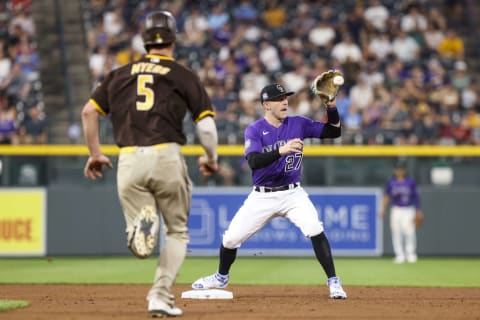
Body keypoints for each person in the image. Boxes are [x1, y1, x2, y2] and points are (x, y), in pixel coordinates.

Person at [81, 11, 219, 317]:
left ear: (144, 40)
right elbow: (207, 129)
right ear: (173, 39)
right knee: (178, 232)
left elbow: (89, 112)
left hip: (128, 159)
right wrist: (211, 159)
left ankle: (139, 231)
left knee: (143, 227)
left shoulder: (118, 74)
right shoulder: (182, 74)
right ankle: (159, 296)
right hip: (166, 155)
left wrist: (95, 153)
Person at [191, 82, 347, 299]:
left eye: (286, 98)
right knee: (230, 240)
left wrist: (331, 105)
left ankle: (333, 281)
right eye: (279, 99)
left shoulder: (298, 123)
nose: (285, 102)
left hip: (293, 194)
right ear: (266, 105)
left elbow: (334, 131)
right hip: (262, 196)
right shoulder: (254, 130)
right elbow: (253, 161)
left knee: (314, 227)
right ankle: (221, 277)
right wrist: (281, 150)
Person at [380, 160, 423, 264]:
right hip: (396, 209)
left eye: (401, 169)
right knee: (396, 232)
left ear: (405, 170)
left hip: (408, 209)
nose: (399, 171)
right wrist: (382, 208)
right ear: (395, 170)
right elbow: (387, 196)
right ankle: (399, 254)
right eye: (397, 169)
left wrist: (418, 210)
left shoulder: (410, 182)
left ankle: (410, 253)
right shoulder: (391, 183)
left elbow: (416, 197)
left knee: (409, 231)